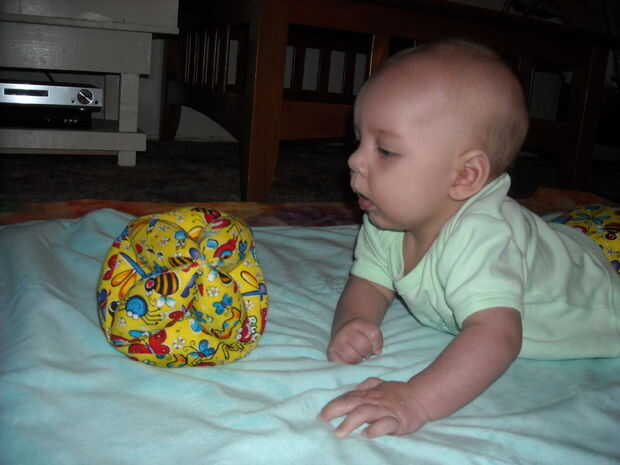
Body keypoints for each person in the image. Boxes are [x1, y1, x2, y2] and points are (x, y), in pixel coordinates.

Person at [319, 39, 620, 439]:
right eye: (359, 140)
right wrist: (355, 322)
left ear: (464, 176)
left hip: (596, 294)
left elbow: (496, 336)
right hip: (559, 244)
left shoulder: (482, 236)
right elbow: (370, 283)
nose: (355, 160)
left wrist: (415, 400)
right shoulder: (385, 218)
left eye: (385, 150)